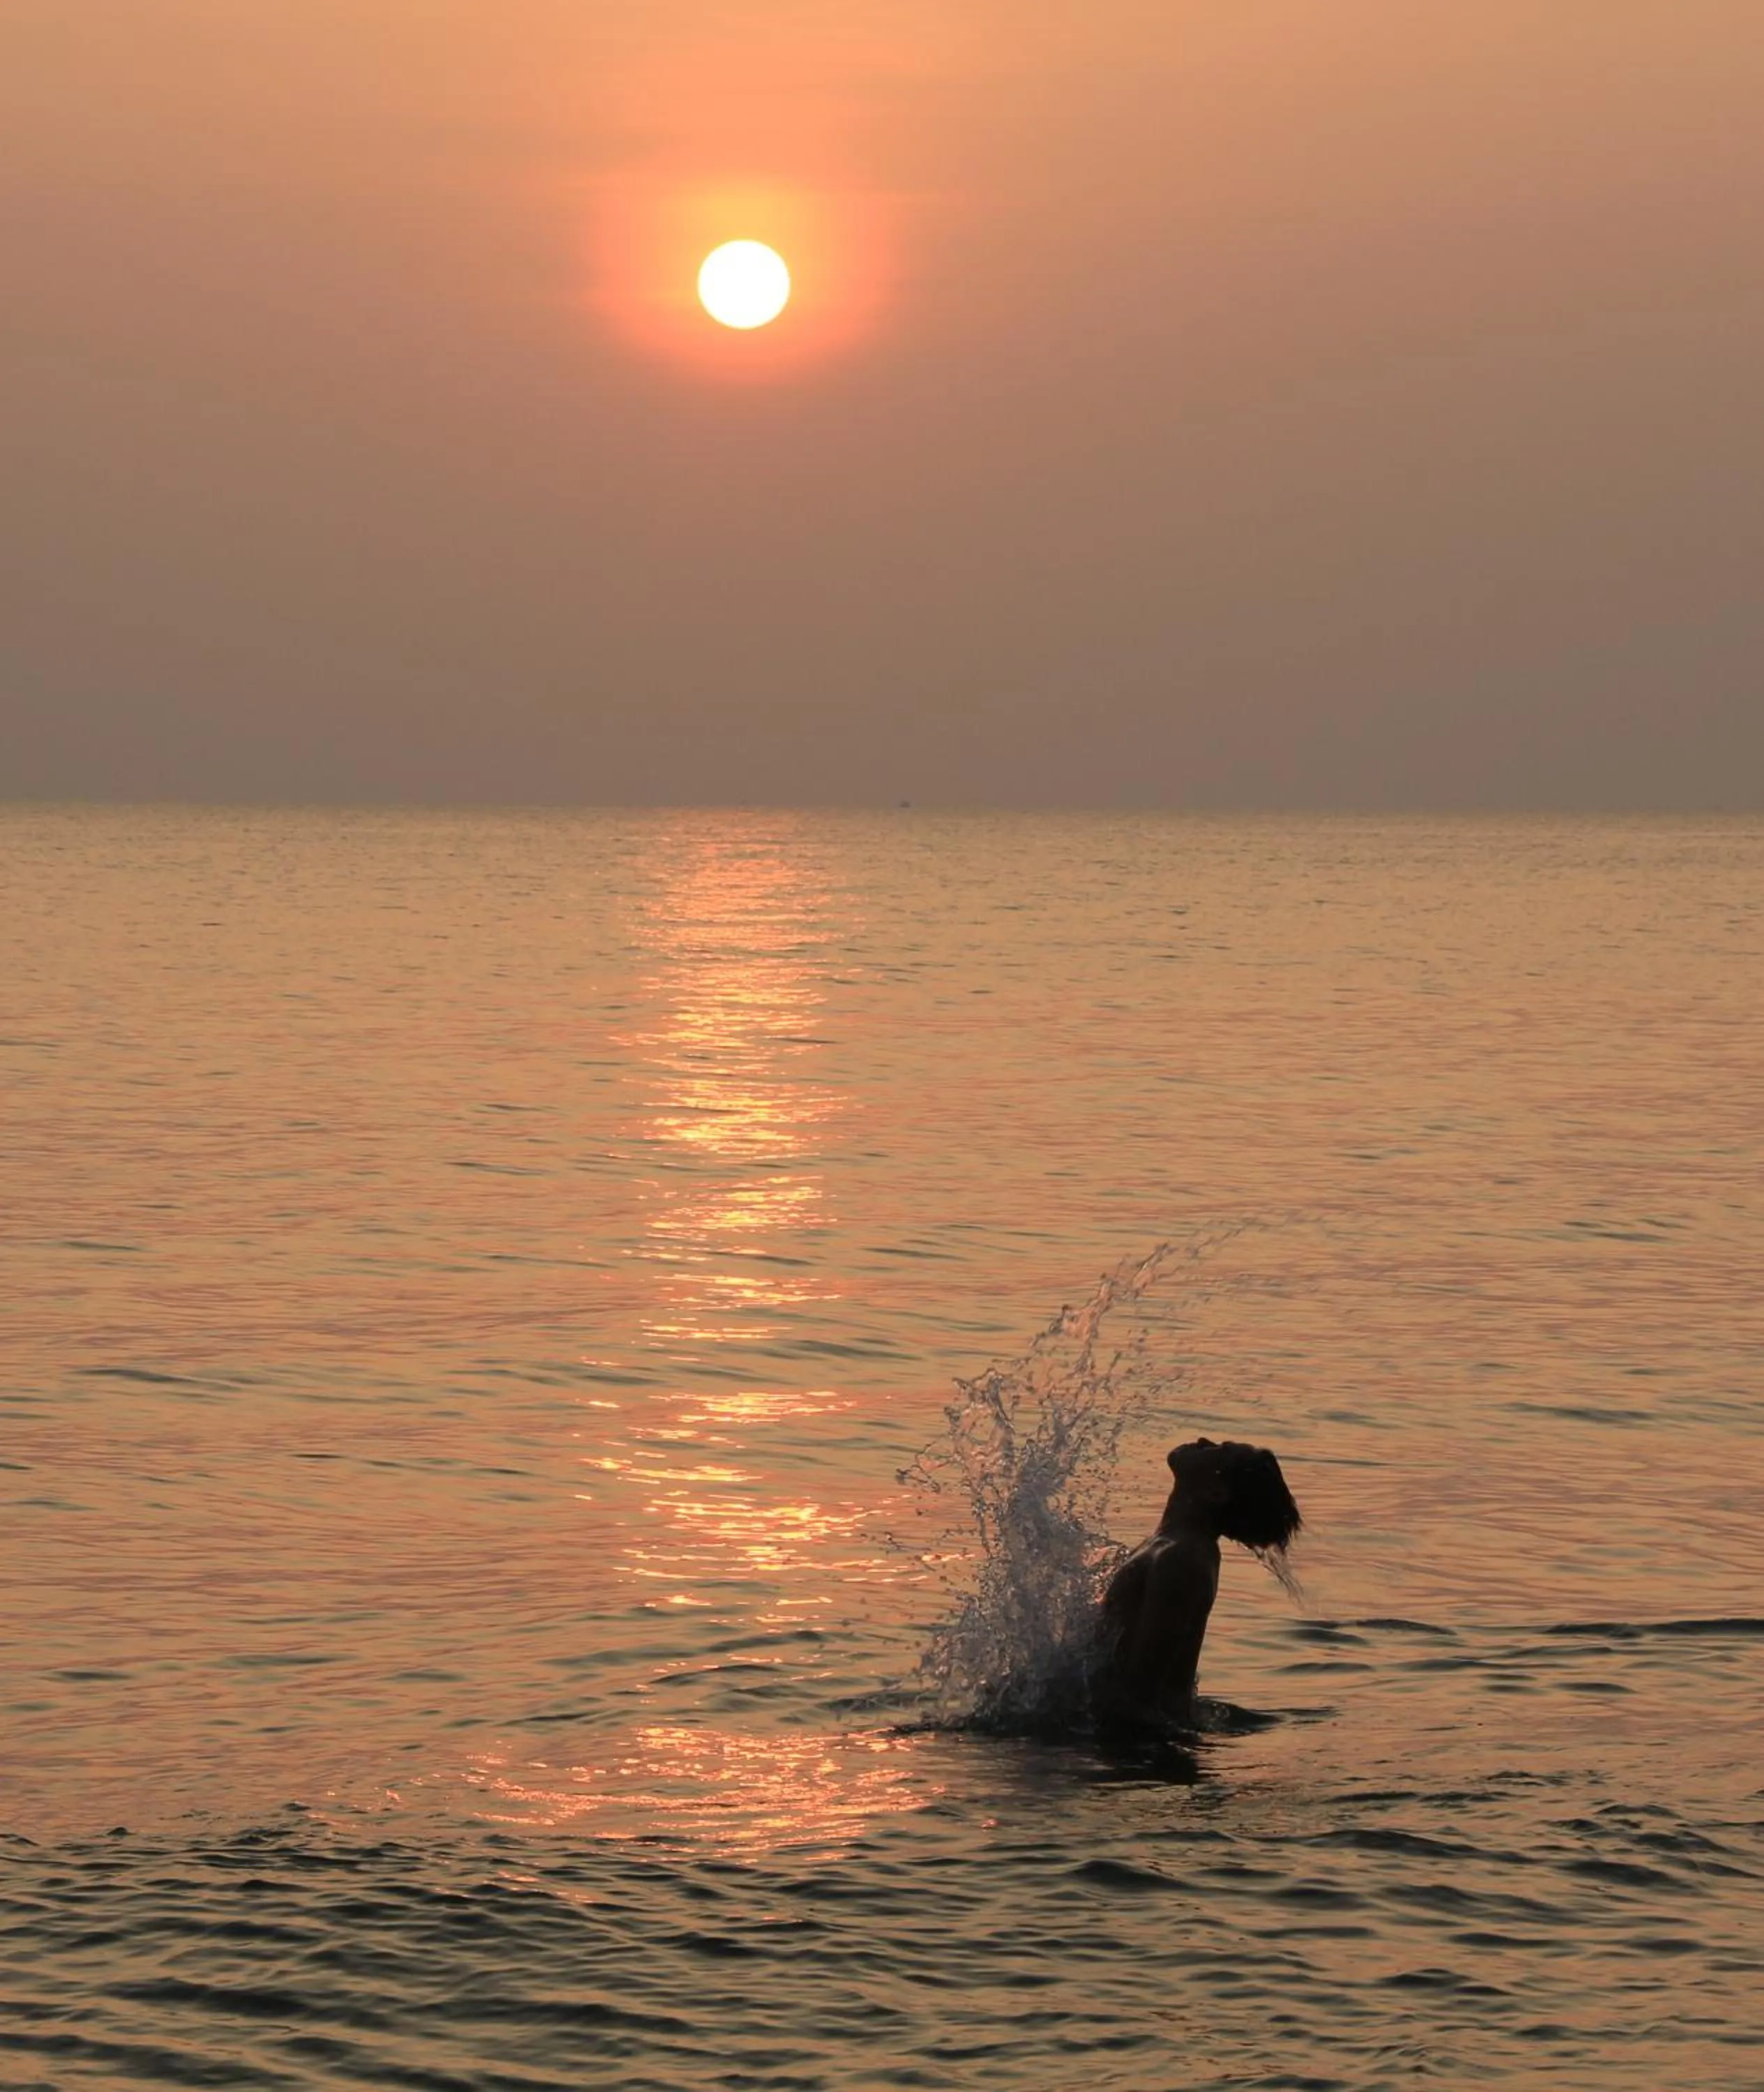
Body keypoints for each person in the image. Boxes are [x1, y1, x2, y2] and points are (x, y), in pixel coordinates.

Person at [1091, 1437, 1301, 1728]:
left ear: (1216, 1492)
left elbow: (1139, 1696)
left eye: (1220, 1450)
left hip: (1142, 1760)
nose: (1204, 1441)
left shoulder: (1182, 1559)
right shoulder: (1169, 1547)